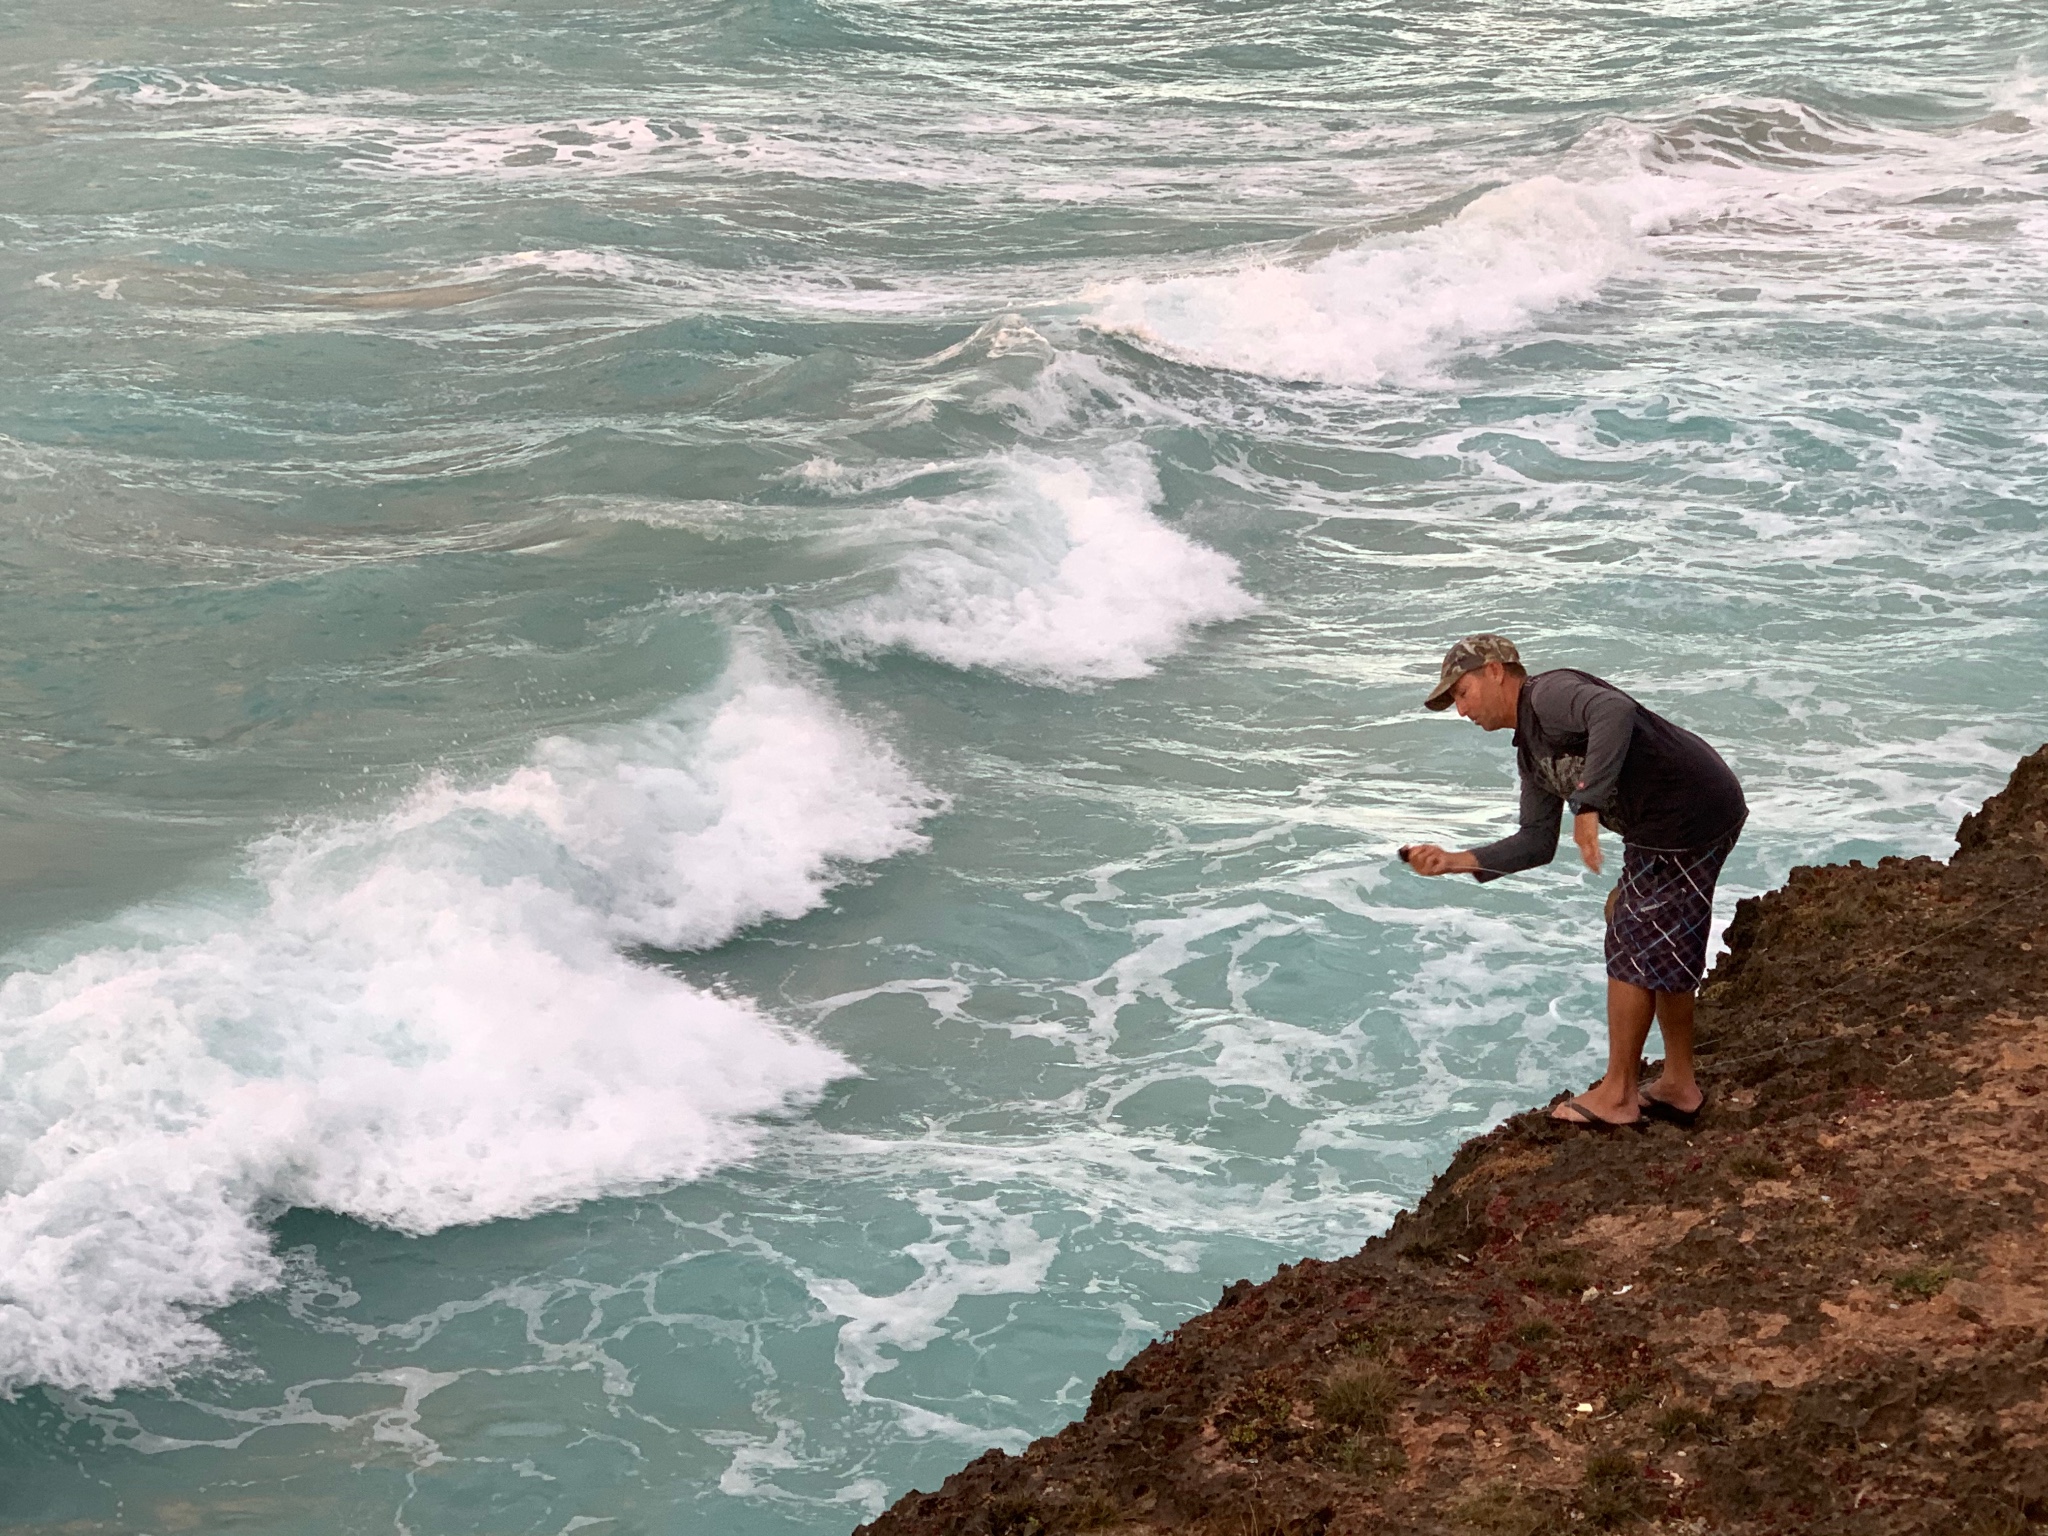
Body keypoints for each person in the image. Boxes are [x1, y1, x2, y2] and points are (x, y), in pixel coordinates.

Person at [1401, 635, 1746, 1128]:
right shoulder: (1531, 754)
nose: (1461, 711)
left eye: (1462, 692)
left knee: (1634, 931)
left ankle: (1620, 1094)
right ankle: (1678, 1082)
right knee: (1648, 930)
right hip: (1678, 819)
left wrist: (1587, 806)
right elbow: (1536, 843)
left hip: (1686, 811)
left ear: (1496, 671)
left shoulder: (1549, 694)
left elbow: (1613, 710)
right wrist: (1454, 860)